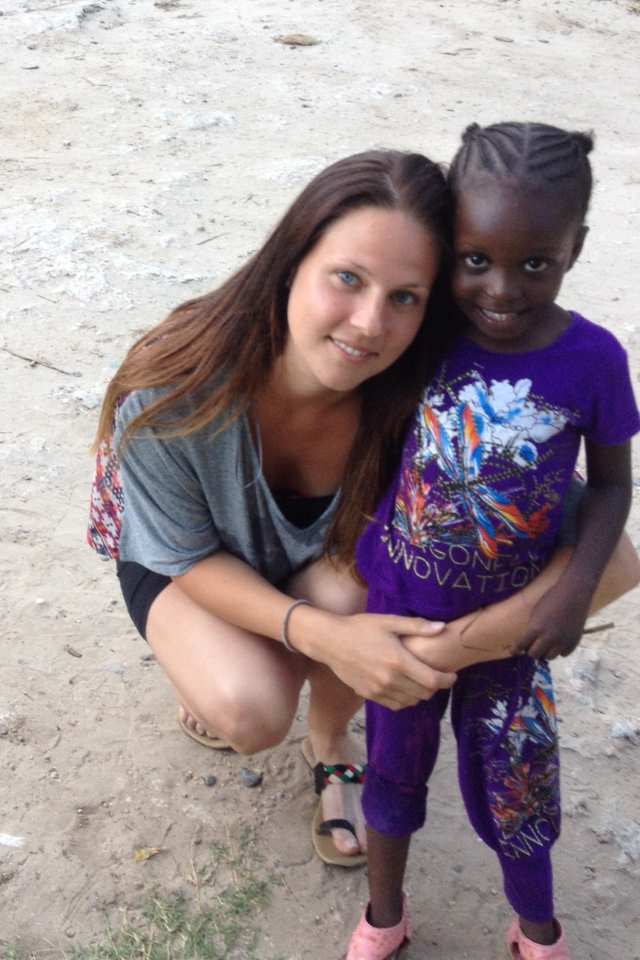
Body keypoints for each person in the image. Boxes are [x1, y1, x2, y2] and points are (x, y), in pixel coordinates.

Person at [88, 149, 460, 867]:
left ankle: (331, 739)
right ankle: (224, 658)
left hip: (328, 565)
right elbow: (185, 555)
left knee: (370, 582)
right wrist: (327, 640)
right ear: (291, 263)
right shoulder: (172, 385)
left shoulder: (432, 396)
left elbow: (601, 549)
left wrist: (446, 646)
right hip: (189, 560)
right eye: (347, 278)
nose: (368, 323)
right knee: (250, 712)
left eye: (405, 297)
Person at [345, 122, 640, 960]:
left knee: (519, 789)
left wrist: (575, 590)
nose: (502, 289)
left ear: (576, 247)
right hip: (400, 614)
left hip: (514, 632)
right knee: (394, 772)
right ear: (450, 245)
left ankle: (536, 927)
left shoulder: (594, 360)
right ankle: (384, 914)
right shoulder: (425, 330)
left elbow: (612, 486)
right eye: (475, 259)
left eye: (536, 263)